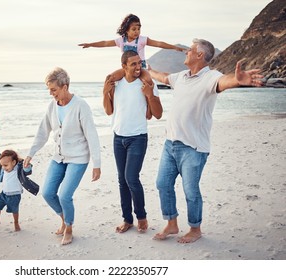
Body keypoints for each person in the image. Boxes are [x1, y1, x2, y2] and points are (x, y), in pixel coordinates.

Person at [148, 38, 263, 243]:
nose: (186, 52)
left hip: (193, 148)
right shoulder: (181, 76)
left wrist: (237, 80)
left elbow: (223, 82)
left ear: (200, 55)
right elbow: (164, 78)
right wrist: (149, 71)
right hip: (170, 144)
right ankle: (172, 223)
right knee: (162, 184)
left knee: (190, 190)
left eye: (190, 50)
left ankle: (195, 229)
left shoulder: (211, 77)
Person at [23, 67, 101, 245]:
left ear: (65, 87)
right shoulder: (52, 106)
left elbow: (92, 135)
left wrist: (97, 163)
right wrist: (31, 153)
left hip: (78, 158)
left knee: (65, 195)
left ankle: (69, 227)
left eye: (54, 90)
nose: (51, 94)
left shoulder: (81, 106)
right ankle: (64, 218)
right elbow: (43, 131)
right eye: (49, 90)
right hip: (58, 157)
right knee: (48, 193)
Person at [103, 50, 163, 234]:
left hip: (138, 137)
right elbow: (108, 111)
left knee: (131, 178)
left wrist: (149, 94)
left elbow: (158, 114)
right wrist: (106, 93)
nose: (138, 67)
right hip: (118, 137)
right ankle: (127, 220)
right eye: (133, 64)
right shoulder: (117, 84)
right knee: (122, 180)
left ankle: (142, 217)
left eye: (140, 63)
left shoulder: (146, 83)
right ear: (124, 66)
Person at [78, 13, 185, 69]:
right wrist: (90, 44)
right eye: (134, 29)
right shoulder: (121, 41)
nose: (137, 32)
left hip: (140, 67)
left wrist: (174, 47)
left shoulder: (142, 40)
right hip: (127, 68)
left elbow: (158, 43)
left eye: (139, 29)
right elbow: (105, 43)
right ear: (126, 29)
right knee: (111, 78)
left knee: (148, 81)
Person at [0, 143, 39, 232]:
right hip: (3, 193)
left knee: (14, 211)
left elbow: (27, 171)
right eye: (2, 165)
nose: (3, 168)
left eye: (6, 165)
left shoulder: (18, 169)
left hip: (15, 195)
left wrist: (27, 167)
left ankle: (16, 223)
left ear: (14, 162)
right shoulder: (4, 165)